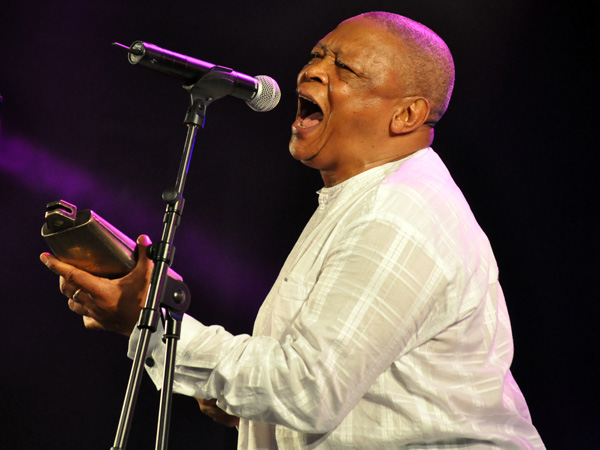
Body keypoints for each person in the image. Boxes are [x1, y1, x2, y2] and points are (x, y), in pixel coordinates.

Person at [40, 11, 545, 449]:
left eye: (341, 66)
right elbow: (337, 386)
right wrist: (248, 405)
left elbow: (307, 389)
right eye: (316, 55)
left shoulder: (399, 211)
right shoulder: (363, 199)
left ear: (407, 114)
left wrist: (149, 322)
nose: (312, 70)